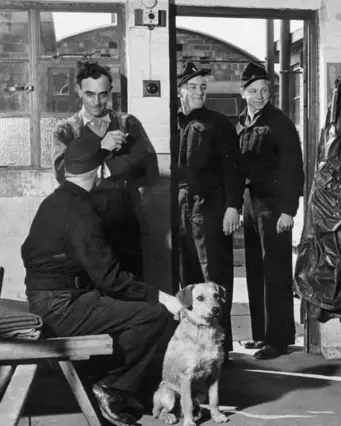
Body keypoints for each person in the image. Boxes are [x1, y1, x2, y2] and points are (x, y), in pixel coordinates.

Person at [22, 140, 182, 426]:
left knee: (129, 307)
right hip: (62, 307)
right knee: (153, 314)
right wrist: (162, 296)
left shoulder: (54, 201)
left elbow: (29, 252)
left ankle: (103, 380)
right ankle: (111, 386)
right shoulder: (81, 212)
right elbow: (111, 279)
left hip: (48, 298)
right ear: (99, 174)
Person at [52, 61, 151, 278]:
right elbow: (65, 175)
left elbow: (145, 166)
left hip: (124, 221)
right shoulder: (66, 130)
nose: (96, 101)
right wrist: (103, 148)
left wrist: (99, 168)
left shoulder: (127, 124)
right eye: (89, 94)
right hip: (84, 223)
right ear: (78, 90)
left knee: (130, 288)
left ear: (110, 92)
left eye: (103, 94)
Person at [175, 61, 244, 361]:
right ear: (180, 91)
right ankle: (194, 347)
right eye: (192, 87)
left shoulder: (218, 124)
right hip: (180, 214)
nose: (199, 92)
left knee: (214, 280)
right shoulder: (172, 122)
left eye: (203, 87)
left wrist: (233, 206)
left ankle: (220, 350)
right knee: (186, 281)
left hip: (211, 212)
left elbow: (234, 169)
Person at [237, 62, 305, 360]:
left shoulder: (280, 123)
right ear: (243, 93)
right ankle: (260, 335)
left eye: (265, 90)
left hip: (275, 206)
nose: (259, 95)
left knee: (275, 272)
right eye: (253, 91)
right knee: (254, 269)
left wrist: (289, 210)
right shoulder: (242, 122)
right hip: (250, 204)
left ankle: (278, 340)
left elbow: (294, 169)